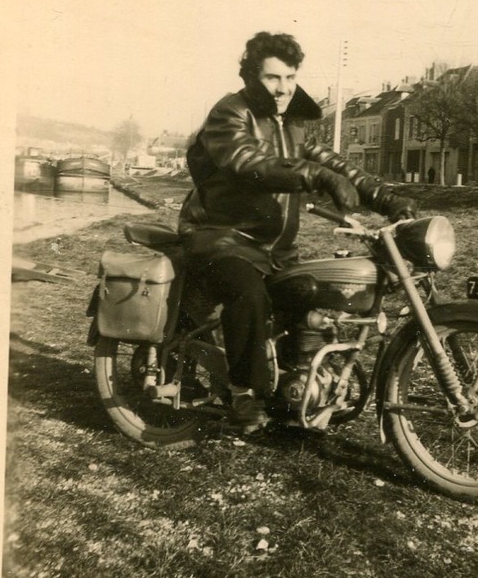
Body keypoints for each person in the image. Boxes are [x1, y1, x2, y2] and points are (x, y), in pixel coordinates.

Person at [178, 32, 416, 432]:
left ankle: (296, 385)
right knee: (247, 293)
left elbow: (338, 166)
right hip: (222, 236)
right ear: (252, 75)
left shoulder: (292, 124)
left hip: (275, 249)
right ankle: (243, 394)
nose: (284, 88)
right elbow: (248, 162)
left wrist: (388, 199)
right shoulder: (229, 114)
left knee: (312, 296)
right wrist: (315, 176)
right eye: (273, 78)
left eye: (290, 77)